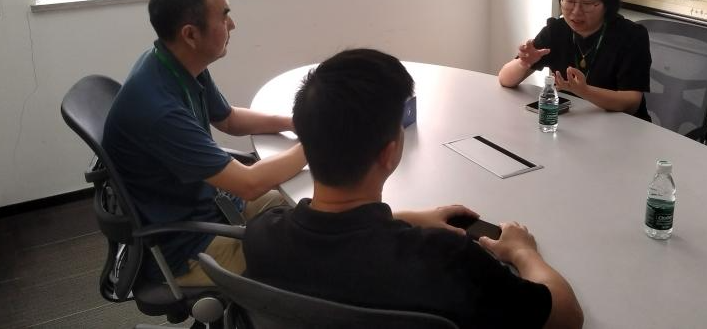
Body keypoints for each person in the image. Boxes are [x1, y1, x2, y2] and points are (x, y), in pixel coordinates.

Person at [245, 49, 584, 329]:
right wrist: (522, 252)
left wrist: (404, 219)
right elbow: (566, 317)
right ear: (389, 152)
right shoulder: (445, 260)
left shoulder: (262, 235)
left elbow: (342, 241)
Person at [102, 0, 306, 286]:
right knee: (310, 254)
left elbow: (229, 119)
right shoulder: (159, 111)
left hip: (211, 204)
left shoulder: (175, 62)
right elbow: (249, 184)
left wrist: (295, 122)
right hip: (188, 246)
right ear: (191, 35)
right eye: (224, 16)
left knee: (309, 211)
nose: (232, 24)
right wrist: (319, 140)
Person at [498, 0, 652, 121]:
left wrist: (585, 91)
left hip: (623, 126)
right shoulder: (556, 30)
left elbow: (631, 103)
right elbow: (505, 79)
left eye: (588, 3)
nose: (576, 11)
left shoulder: (631, 36)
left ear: (607, 4)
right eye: (570, 1)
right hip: (575, 122)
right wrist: (524, 63)